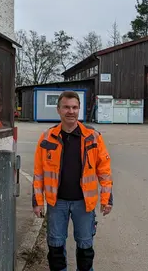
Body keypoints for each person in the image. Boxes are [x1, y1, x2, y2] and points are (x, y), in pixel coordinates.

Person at [32, 91, 113, 271]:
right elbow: (38, 173)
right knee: (55, 247)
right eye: (66, 107)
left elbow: (104, 171)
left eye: (74, 107)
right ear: (58, 110)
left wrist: (107, 199)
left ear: (79, 110)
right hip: (57, 203)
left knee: (85, 248)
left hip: (84, 204)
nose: (71, 111)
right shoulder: (46, 138)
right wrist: (37, 202)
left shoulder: (93, 137)